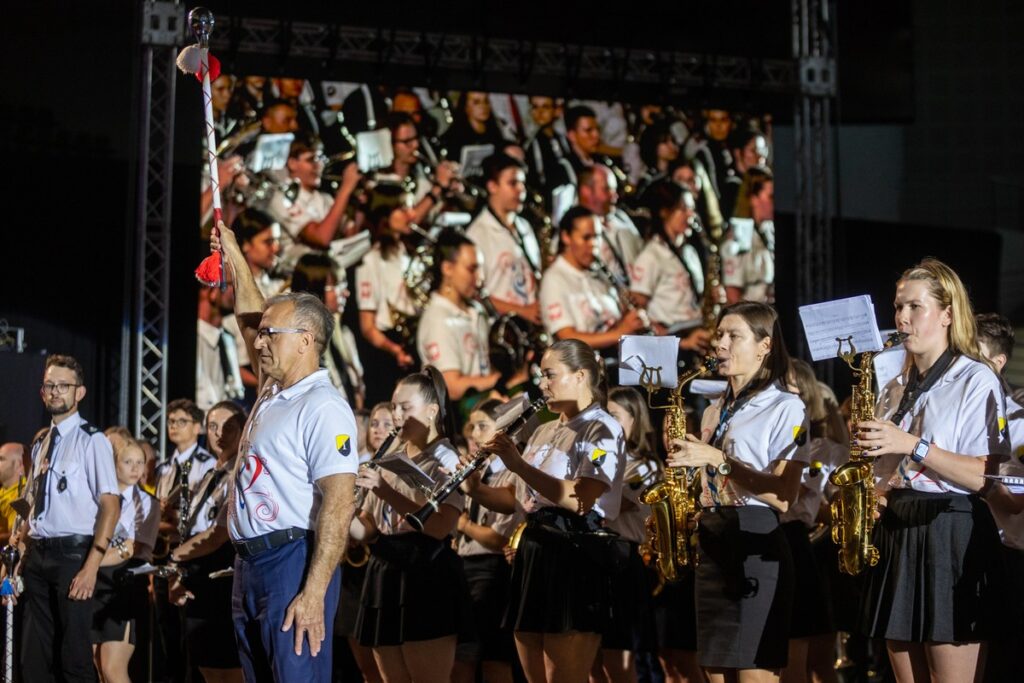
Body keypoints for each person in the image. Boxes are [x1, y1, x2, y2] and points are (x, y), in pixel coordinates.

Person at [213, 219, 359, 681]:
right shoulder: (273, 391)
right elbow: (251, 315)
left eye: (269, 336)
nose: (257, 341)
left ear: (305, 341)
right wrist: (235, 254)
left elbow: (339, 503)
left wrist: (314, 591)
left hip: (292, 561)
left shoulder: (324, 406)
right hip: (249, 563)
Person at [857, 260, 1008, 683]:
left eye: (914, 307)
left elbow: (984, 476)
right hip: (897, 531)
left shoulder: (974, 378)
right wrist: (876, 493)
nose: (902, 318)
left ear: (947, 314)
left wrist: (913, 445)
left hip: (948, 530)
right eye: (897, 307)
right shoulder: (893, 387)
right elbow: (889, 469)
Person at [668, 301, 807, 681]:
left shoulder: (786, 406)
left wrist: (718, 460)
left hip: (755, 540)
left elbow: (783, 496)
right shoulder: (715, 409)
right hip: (713, 538)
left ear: (765, 346)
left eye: (734, 336)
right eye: (719, 334)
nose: (720, 344)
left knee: (753, 671)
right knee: (714, 671)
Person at [485, 338, 626, 682]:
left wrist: (518, 465)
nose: (542, 384)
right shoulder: (545, 429)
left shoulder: (602, 428)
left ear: (580, 375)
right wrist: (474, 487)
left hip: (575, 549)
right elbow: (522, 500)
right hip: (536, 549)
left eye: (550, 375)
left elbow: (582, 498)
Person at [351, 367, 471, 682]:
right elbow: (367, 529)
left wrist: (385, 491)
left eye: (406, 408)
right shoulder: (390, 457)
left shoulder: (446, 459)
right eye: (394, 407)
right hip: (385, 568)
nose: (396, 415)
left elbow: (439, 527)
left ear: (432, 412)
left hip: (425, 571)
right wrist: (341, 509)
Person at [14, 354, 121, 682]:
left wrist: (91, 567)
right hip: (38, 555)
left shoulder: (92, 440)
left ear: (80, 393)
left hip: (72, 556)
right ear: (42, 392)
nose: (55, 391)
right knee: (33, 659)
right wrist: (21, 545)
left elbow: (110, 504)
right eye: (50, 385)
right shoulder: (41, 442)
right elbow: (32, 503)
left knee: (74, 658)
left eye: (63, 385)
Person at [168, 401, 246, 683]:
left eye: (228, 427)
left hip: (223, 575)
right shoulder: (210, 474)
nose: (219, 434)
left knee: (230, 668)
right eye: (213, 426)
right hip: (199, 575)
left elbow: (218, 534)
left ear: (243, 429)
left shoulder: (241, 472)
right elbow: (193, 527)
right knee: (206, 666)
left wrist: (176, 557)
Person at [780, 359, 847, 683]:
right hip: (779, 539)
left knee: (811, 652)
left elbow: (834, 502)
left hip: (803, 544)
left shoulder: (823, 447)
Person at [453, 399, 525, 683]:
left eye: (483, 426)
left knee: (495, 658)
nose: (474, 434)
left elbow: (499, 538)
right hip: (466, 567)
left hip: (495, 572)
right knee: (464, 657)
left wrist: (463, 525)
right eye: (472, 427)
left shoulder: (510, 473)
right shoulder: (480, 470)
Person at [973, 313, 1024, 683]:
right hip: (964, 551)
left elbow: (1015, 503)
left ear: (997, 362)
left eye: (971, 355)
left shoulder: (1020, 424)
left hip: (1009, 560)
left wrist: (968, 477)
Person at [601, 387, 661, 683]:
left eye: (614, 417)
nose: (606, 424)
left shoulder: (646, 465)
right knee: (594, 654)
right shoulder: (601, 457)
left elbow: (610, 506)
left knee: (621, 653)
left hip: (624, 558)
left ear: (635, 419)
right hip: (598, 557)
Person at [152, 398, 215, 683]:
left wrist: (172, 513)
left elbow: (204, 517)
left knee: (190, 630)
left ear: (198, 427)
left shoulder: (206, 465)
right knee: (167, 628)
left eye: (181, 421)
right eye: (170, 421)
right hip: (164, 549)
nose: (174, 427)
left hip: (191, 551)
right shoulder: (165, 467)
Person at [539, 206, 644, 350]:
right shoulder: (554, 279)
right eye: (586, 237)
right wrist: (619, 333)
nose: (594, 245)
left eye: (598, 237)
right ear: (566, 237)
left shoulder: (599, 271)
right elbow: (566, 337)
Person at [90, 440, 152, 683]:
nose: (135, 468)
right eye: (128, 462)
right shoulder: (100, 499)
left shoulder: (147, 503)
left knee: (113, 668)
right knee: (96, 663)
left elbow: (133, 548)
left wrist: (90, 564)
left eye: (140, 462)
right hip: (96, 584)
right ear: (114, 465)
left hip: (123, 586)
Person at [416, 229, 502, 401]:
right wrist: (501, 381)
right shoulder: (437, 319)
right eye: (472, 269)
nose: (479, 278)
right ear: (447, 268)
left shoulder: (476, 310)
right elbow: (451, 386)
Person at [356, 203, 425, 404]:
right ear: (386, 216)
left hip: (412, 341)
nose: (410, 214)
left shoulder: (407, 253)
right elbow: (367, 326)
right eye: (402, 209)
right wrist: (394, 349)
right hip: (387, 353)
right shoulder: (371, 261)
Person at [629, 181, 711, 352]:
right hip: (672, 344)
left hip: (696, 333)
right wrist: (676, 343)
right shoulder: (651, 256)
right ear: (664, 212)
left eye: (691, 208)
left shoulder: (689, 252)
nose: (691, 215)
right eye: (683, 209)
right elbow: (637, 313)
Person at [265, 134, 362, 274]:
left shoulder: (325, 198)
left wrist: (359, 206)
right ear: (292, 163)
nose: (319, 165)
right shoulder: (282, 199)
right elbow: (322, 238)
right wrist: (345, 189)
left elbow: (352, 239)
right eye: (311, 159)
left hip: (325, 275)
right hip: (296, 280)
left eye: (320, 158)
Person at [466, 152, 543, 326]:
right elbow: (474, 294)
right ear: (492, 186)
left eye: (522, 183)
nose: (521, 189)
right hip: (501, 328)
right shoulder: (477, 235)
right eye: (513, 183)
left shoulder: (524, 225)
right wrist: (523, 311)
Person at [291, 252, 365, 409]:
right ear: (315, 288)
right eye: (336, 286)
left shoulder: (340, 334)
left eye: (343, 285)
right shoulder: (299, 342)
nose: (345, 293)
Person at [576, 165, 644, 286]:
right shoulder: (572, 231)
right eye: (606, 189)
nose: (615, 196)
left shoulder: (621, 217)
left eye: (614, 190)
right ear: (586, 191)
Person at [722, 166, 774, 304]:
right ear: (753, 199)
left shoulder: (769, 230)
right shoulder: (738, 236)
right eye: (771, 197)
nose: (776, 202)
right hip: (752, 318)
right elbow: (733, 295)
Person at [440, 91, 511, 161]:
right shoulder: (454, 137)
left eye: (486, 101)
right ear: (465, 107)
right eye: (476, 102)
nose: (483, 106)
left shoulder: (494, 131)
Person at [0, 443, 26, 545]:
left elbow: (16, 534)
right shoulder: (4, 491)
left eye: (1, 459)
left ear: (18, 464)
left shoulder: (22, 494)